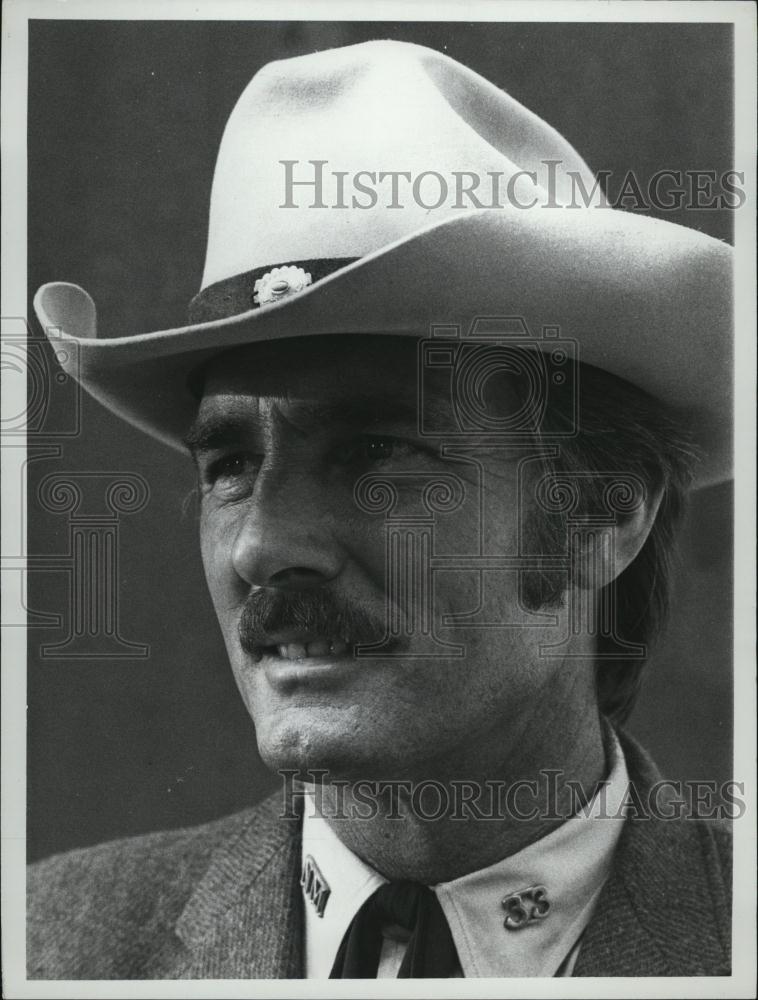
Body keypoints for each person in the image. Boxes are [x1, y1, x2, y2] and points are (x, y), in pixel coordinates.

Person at [27, 39, 732, 979]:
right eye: (232, 462)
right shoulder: (51, 943)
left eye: (378, 454)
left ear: (606, 517)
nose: (263, 545)